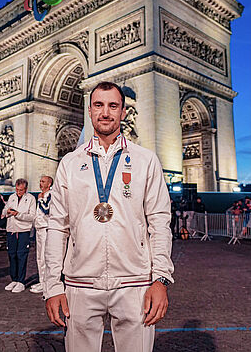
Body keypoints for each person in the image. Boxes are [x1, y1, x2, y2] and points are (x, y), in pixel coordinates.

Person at [44, 81, 174, 352]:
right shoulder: (69, 163)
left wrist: (160, 279)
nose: (105, 112)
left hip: (134, 282)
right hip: (80, 283)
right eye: (99, 105)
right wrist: (52, 286)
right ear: (89, 111)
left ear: (123, 112)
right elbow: (56, 227)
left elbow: (159, 223)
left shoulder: (146, 160)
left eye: (113, 105)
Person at [1, 178, 36, 293]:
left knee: (21, 255)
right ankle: (14, 279)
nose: (18, 192)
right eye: (17, 189)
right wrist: (7, 212)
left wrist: (18, 214)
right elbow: (4, 211)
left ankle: (21, 281)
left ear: (25, 189)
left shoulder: (31, 199)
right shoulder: (11, 197)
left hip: (23, 231)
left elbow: (32, 217)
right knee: (12, 255)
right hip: (11, 229)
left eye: (21, 190)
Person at [30, 175, 53, 294]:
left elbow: (47, 210)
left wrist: (40, 199)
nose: (40, 183)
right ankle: (41, 280)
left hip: (46, 229)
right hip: (39, 229)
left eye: (43, 181)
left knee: (44, 257)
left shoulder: (51, 194)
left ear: (49, 184)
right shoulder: (40, 195)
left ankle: (46, 284)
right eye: (40, 181)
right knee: (39, 257)